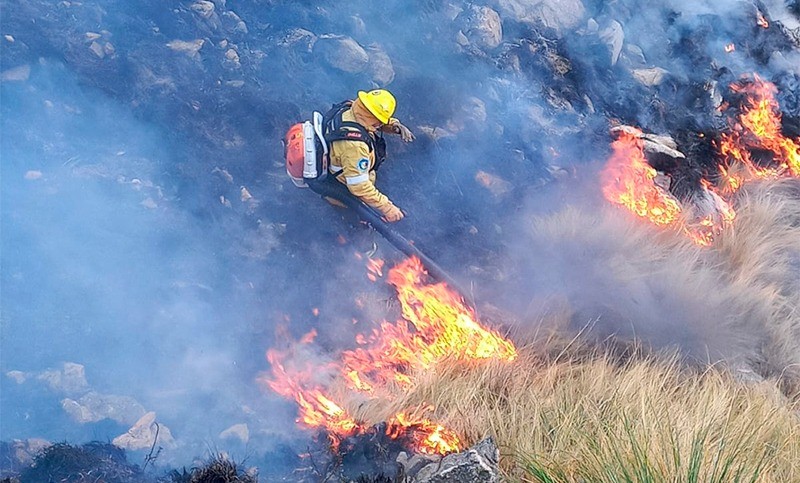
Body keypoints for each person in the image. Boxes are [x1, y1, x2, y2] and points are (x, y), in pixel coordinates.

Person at [325, 89, 415, 222]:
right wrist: (387, 208)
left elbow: (369, 119)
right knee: (359, 231)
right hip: (343, 194)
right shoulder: (355, 147)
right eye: (379, 121)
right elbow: (359, 186)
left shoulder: (349, 109)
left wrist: (394, 125)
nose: (380, 124)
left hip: (342, 168)